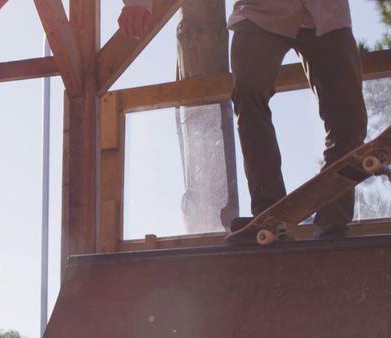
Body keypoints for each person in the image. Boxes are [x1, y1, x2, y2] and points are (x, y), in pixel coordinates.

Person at [119, 0, 368, 238]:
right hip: (259, 13)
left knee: (350, 122)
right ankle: (269, 209)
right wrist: (137, 3)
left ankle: (333, 220)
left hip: (327, 16)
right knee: (248, 94)